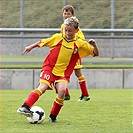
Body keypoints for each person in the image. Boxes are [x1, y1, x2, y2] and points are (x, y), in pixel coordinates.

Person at [17, 16, 99, 123]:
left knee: (62, 91)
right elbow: (42, 42)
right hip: (49, 68)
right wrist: (30, 47)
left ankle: (53, 117)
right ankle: (25, 106)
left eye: (70, 31)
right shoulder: (57, 37)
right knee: (43, 86)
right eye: (66, 30)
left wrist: (94, 45)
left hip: (63, 73)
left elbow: (95, 53)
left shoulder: (79, 43)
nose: (67, 32)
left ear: (76, 30)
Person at [61, 5, 90, 101]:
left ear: (72, 15)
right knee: (61, 73)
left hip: (74, 54)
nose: (66, 15)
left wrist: (75, 48)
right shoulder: (63, 26)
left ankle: (85, 94)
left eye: (68, 13)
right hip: (66, 54)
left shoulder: (76, 28)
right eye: (65, 13)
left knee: (78, 73)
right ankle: (65, 94)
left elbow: (81, 40)